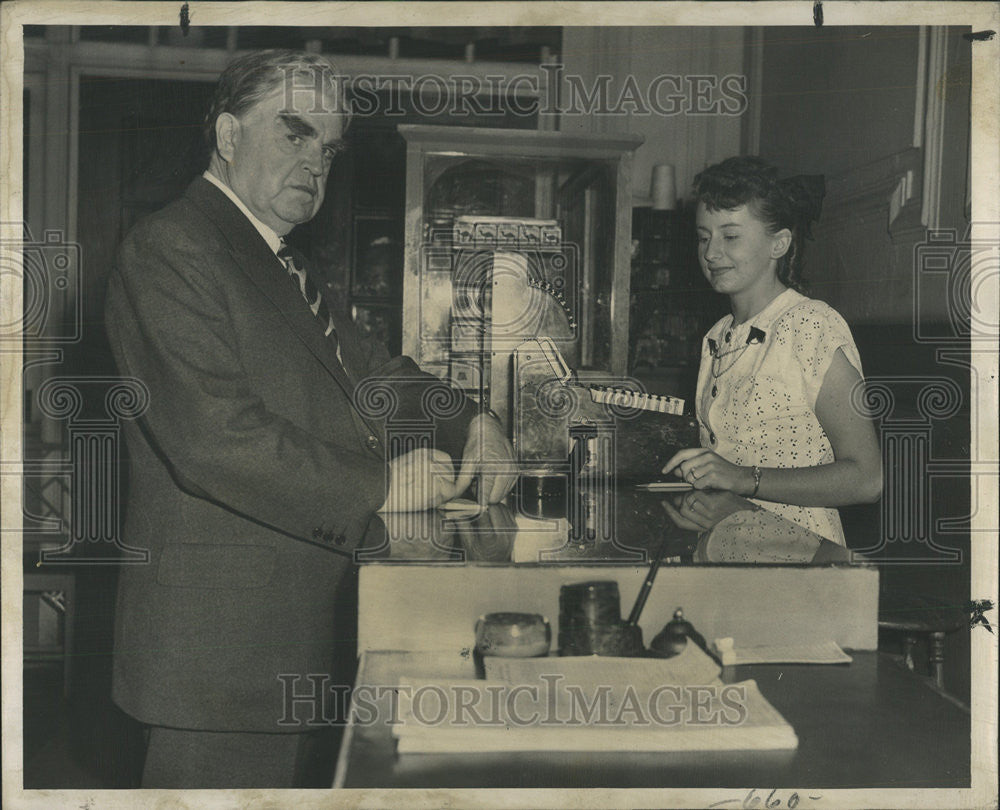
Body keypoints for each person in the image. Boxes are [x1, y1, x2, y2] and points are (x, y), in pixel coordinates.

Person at [104, 49, 515, 788]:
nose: (316, 163)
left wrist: (471, 421)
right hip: (219, 662)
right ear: (228, 136)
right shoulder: (171, 248)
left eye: (327, 148)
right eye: (294, 135)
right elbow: (212, 438)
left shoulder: (283, 263)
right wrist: (381, 487)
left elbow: (382, 377)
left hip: (292, 639)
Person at [662, 156, 881, 546]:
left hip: (799, 559)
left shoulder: (811, 325)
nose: (711, 253)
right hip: (729, 553)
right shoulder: (717, 336)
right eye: (702, 236)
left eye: (730, 236)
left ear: (778, 243)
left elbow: (867, 479)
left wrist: (742, 478)